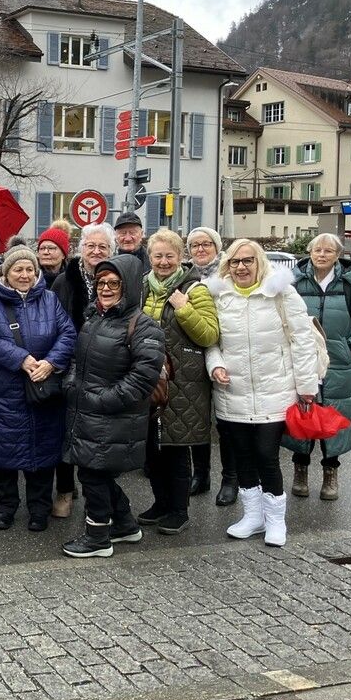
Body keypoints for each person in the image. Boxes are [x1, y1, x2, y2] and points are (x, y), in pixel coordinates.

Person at [206, 239, 319, 548]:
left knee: (266, 456)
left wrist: (307, 387)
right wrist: (215, 365)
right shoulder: (219, 296)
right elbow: (212, 341)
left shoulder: (281, 292)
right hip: (233, 392)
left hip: (275, 390)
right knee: (241, 457)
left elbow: (302, 340)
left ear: (259, 262)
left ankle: (275, 520)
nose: (241, 267)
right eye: (235, 262)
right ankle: (253, 516)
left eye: (247, 261)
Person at [61, 255, 166, 558]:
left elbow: (143, 378)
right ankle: (124, 525)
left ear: (129, 286)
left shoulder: (143, 326)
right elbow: (76, 361)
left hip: (113, 416)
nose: (105, 288)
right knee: (97, 473)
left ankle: (97, 538)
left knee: (93, 475)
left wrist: (103, 399)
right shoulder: (95, 317)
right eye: (101, 282)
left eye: (114, 283)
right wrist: (71, 384)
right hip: (88, 412)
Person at [0, 244, 76, 532]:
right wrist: (22, 359)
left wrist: (51, 363)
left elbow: (67, 333)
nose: (25, 274)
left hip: (43, 390)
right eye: (18, 269)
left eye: (30, 269)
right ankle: (5, 507)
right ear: (7, 272)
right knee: (3, 454)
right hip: (3, 393)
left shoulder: (50, 299)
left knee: (41, 455)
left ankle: (38, 509)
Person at [283, 233, 351, 501]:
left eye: (328, 251)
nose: (321, 255)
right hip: (302, 360)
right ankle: (300, 469)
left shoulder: (350, 283)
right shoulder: (295, 281)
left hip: (338, 363)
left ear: (338, 255)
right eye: (317, 250)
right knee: (301, 415)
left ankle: (330, 474)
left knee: (335, 418)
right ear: (310, 252)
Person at [137, 229, 219, 535]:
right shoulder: (141, 288)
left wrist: (183, 308)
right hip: (148, 378)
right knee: (152, 446)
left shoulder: (195, 289)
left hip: (183, 381)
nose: (163, 262)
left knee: (176, 447)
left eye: (169, 256)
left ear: (181, 257)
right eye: (157, 256)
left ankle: (179, 510)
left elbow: (209, 334)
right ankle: (160, 503)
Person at [50, 223, 116, 517]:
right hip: (69, 366)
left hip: (104, 369)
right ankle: (64, 490)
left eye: (103, 247)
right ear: (81, 248)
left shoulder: (117, 280)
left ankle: (98, 495)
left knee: (99, 436)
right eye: (91, 246)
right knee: (66, 432)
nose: (96, 251)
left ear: (111, 251)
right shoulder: (64, 282)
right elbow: (52, 325)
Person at [185, 226, 238, 505]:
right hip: (194, 352)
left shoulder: (229, 275)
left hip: (226, 352)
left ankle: (230, 478)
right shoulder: (187, 275)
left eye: (206, 244)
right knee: (197, 417)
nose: (201, 249)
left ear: (217, 248)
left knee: (226, 421)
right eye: (195, 245)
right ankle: (201, 474)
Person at [36, 224, 71, 289]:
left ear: (63, 254)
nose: (45, 252)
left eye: (51, 248)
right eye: (42, 248)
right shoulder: (30, 278)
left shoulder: (72, 280)